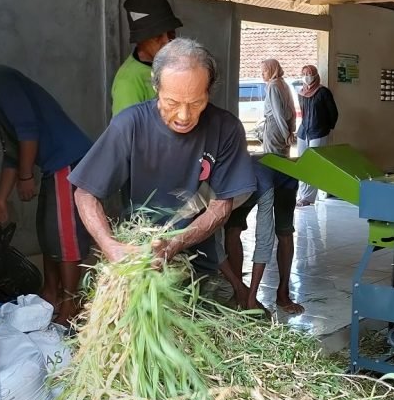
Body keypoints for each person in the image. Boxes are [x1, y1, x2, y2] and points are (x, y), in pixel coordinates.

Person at [69, 39, 256, 297]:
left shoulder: (226, 129)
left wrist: (176, 244)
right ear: (156, 86)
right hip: (139, 260)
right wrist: (110, 245)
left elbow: (221, 206)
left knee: (199, 326)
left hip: (199, 262)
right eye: (172, 102)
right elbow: (85, 193)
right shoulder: (130, 125)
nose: (183, 116)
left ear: (209, 90)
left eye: (195, 103)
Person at [0, 49, 92, 326]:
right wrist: (0, 198)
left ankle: (70, 305)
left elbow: (27, 131)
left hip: (67, 161)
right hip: (54, 165)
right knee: (48, 234)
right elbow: (12, 151)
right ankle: (50, 295)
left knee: (64, 235)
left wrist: (25, 178)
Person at [225, 156, 303, 313]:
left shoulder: (264, 189)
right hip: (248, 179)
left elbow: (264, 242)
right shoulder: (225, 187)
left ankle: (283, 294)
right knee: (231, 231)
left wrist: (252, 297)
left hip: (283, 177)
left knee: (284, 232)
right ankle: (239, 292)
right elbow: (214, 244)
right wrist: (239, 287)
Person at [111, 0, 183, 115]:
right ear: (141, 40)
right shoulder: (128, 82)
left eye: (171, 33)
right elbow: (128, 132)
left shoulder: (171, 66)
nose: (168, 41)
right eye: (157, 36)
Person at [296, 64, 338, 207]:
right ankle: (302, 195)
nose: (306, 76)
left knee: (313, 163)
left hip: (318, 132)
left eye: (309, 73)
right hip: (303, 132)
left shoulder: (323, 92)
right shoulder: (301, 92)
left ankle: (308, 198)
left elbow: (333, 113)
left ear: (315, 75)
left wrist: (326, 128)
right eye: (304, 73)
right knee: (302, 163)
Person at [259, 59, 296, 157]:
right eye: (261, 71)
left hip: (275, 126)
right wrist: (291, 129)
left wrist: (286, 135)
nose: (262, 74)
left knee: (273, 158)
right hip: (285, 125)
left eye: (265, 71)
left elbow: (277, 113)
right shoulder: (284, 84)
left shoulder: (273, 86)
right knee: (283, 157)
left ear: (273, 70)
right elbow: (292, 109)